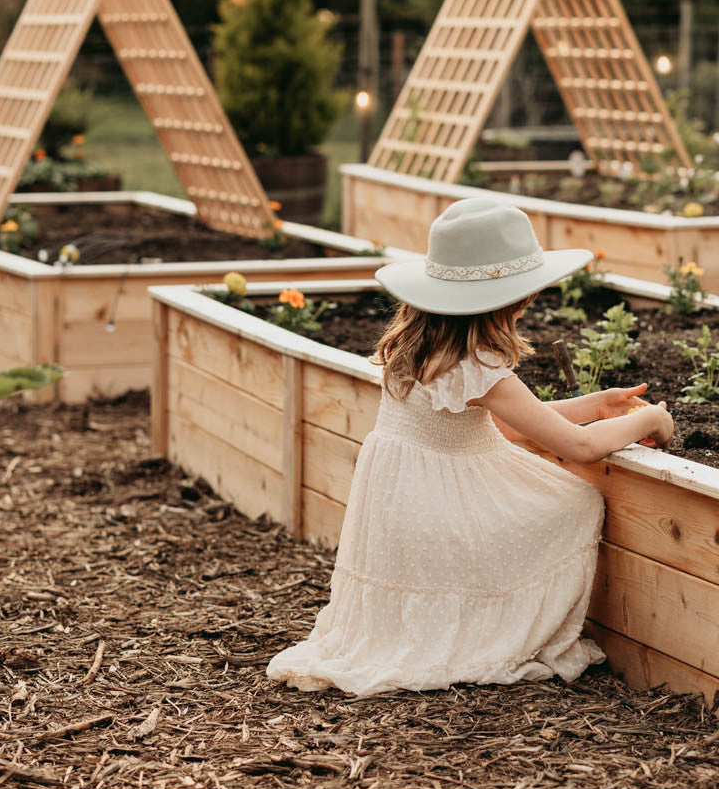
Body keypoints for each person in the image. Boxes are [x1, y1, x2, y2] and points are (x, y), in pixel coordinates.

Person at [267, 195, 674, 696]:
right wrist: (651, 418)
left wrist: (596, 404)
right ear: (511, 302)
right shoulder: (477, 366)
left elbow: (506, 427)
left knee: (554, 486)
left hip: (403, 515)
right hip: (444, 516)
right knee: (576, 501)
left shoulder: (418, 351)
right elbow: (579, 448)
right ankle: (493, 629)